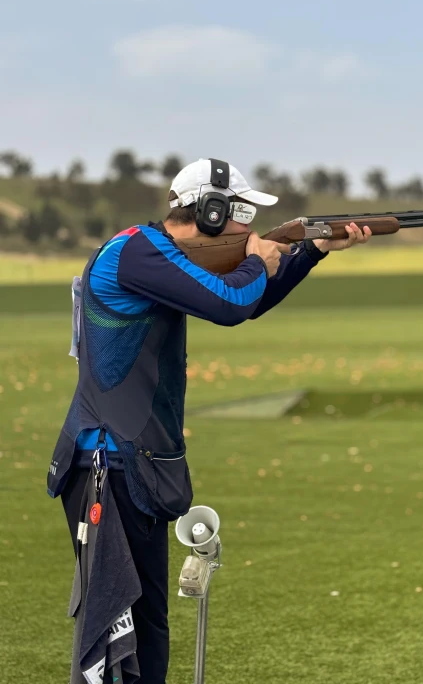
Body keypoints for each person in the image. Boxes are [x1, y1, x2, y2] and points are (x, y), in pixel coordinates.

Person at [47, 157, 371, 683]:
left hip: (134, 463)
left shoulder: (155, 254)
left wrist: (309, 250)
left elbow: (247, 299)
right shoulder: (135, 252)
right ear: (212, 211)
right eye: (240, 213)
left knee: (147, 630)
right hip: (110, 464)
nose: (248, 227)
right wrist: (260, 259)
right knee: (120, 634)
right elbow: (230, 303)